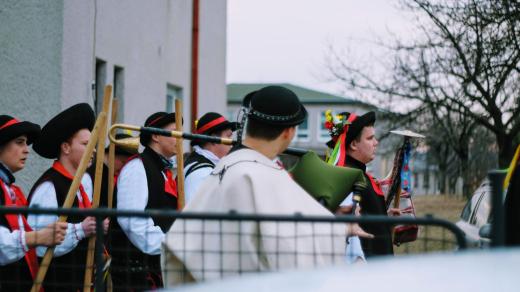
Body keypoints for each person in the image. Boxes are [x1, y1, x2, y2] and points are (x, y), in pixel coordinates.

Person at [162, 86, 373, 286]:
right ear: (288, 133)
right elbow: (288, 249)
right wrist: (341, 228)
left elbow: (179, 246)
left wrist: (332, 217)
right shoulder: (257, 175)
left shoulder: (227, 167)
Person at [28, 103, 109, 291]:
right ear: (65, 147)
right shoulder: (49, 188)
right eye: (85, 144)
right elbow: (39, 246)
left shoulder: (80, 184)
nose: (93, 150)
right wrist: (81, 229)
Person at [111, 112, 179, 290]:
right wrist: (170, 246)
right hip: (136, 272)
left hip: (155, 265)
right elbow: (133, 222)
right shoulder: (137, 167)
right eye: (174, 132)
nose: (179, 137)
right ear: (156, 136)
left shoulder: (162, 170)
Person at [0, 115, 67, 291]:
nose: (26, 150)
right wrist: (38, 237)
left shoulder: (11, 190)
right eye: (19, 142)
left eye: (26, 143)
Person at [326, 111, 399, 258]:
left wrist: (384, 219)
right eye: (370, 138)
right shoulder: (347, 177)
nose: (376, 142)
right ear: (353, 144)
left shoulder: (358, 174)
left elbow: (363, 219)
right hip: (364, 270)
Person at [184, 112, 237, 204]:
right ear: (214, 139)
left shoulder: (208, 167)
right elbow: (196, 214)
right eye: (228, 136)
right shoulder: (202, 173)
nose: (232, 142)